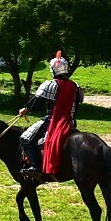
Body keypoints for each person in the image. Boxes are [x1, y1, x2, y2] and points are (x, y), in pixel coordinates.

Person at [18, 52, 84, 184]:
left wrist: (26, 109)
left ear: (53, 70)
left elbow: (37, 101)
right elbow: (77, 106)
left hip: (52, 120)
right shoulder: (76, 86)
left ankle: (35, 167)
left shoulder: (51, 84)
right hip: (70, 122)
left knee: (25, 138)